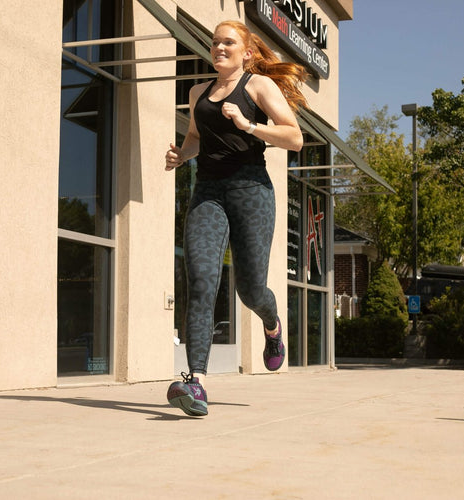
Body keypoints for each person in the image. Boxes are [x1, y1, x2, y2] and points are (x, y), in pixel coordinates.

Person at [164, 20, 307, 416]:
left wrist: (250, 126)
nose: (219, 48)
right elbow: (196, 138)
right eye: (214, 43)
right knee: (202, 279)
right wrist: (182, 155)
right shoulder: (198, 93)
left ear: (246, 52)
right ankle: (196, 381)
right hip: (208, 192)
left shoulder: (258, 87)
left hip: (251, 191)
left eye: (228, 42)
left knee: (250, 289)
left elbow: (294, 137)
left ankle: (273, 325)